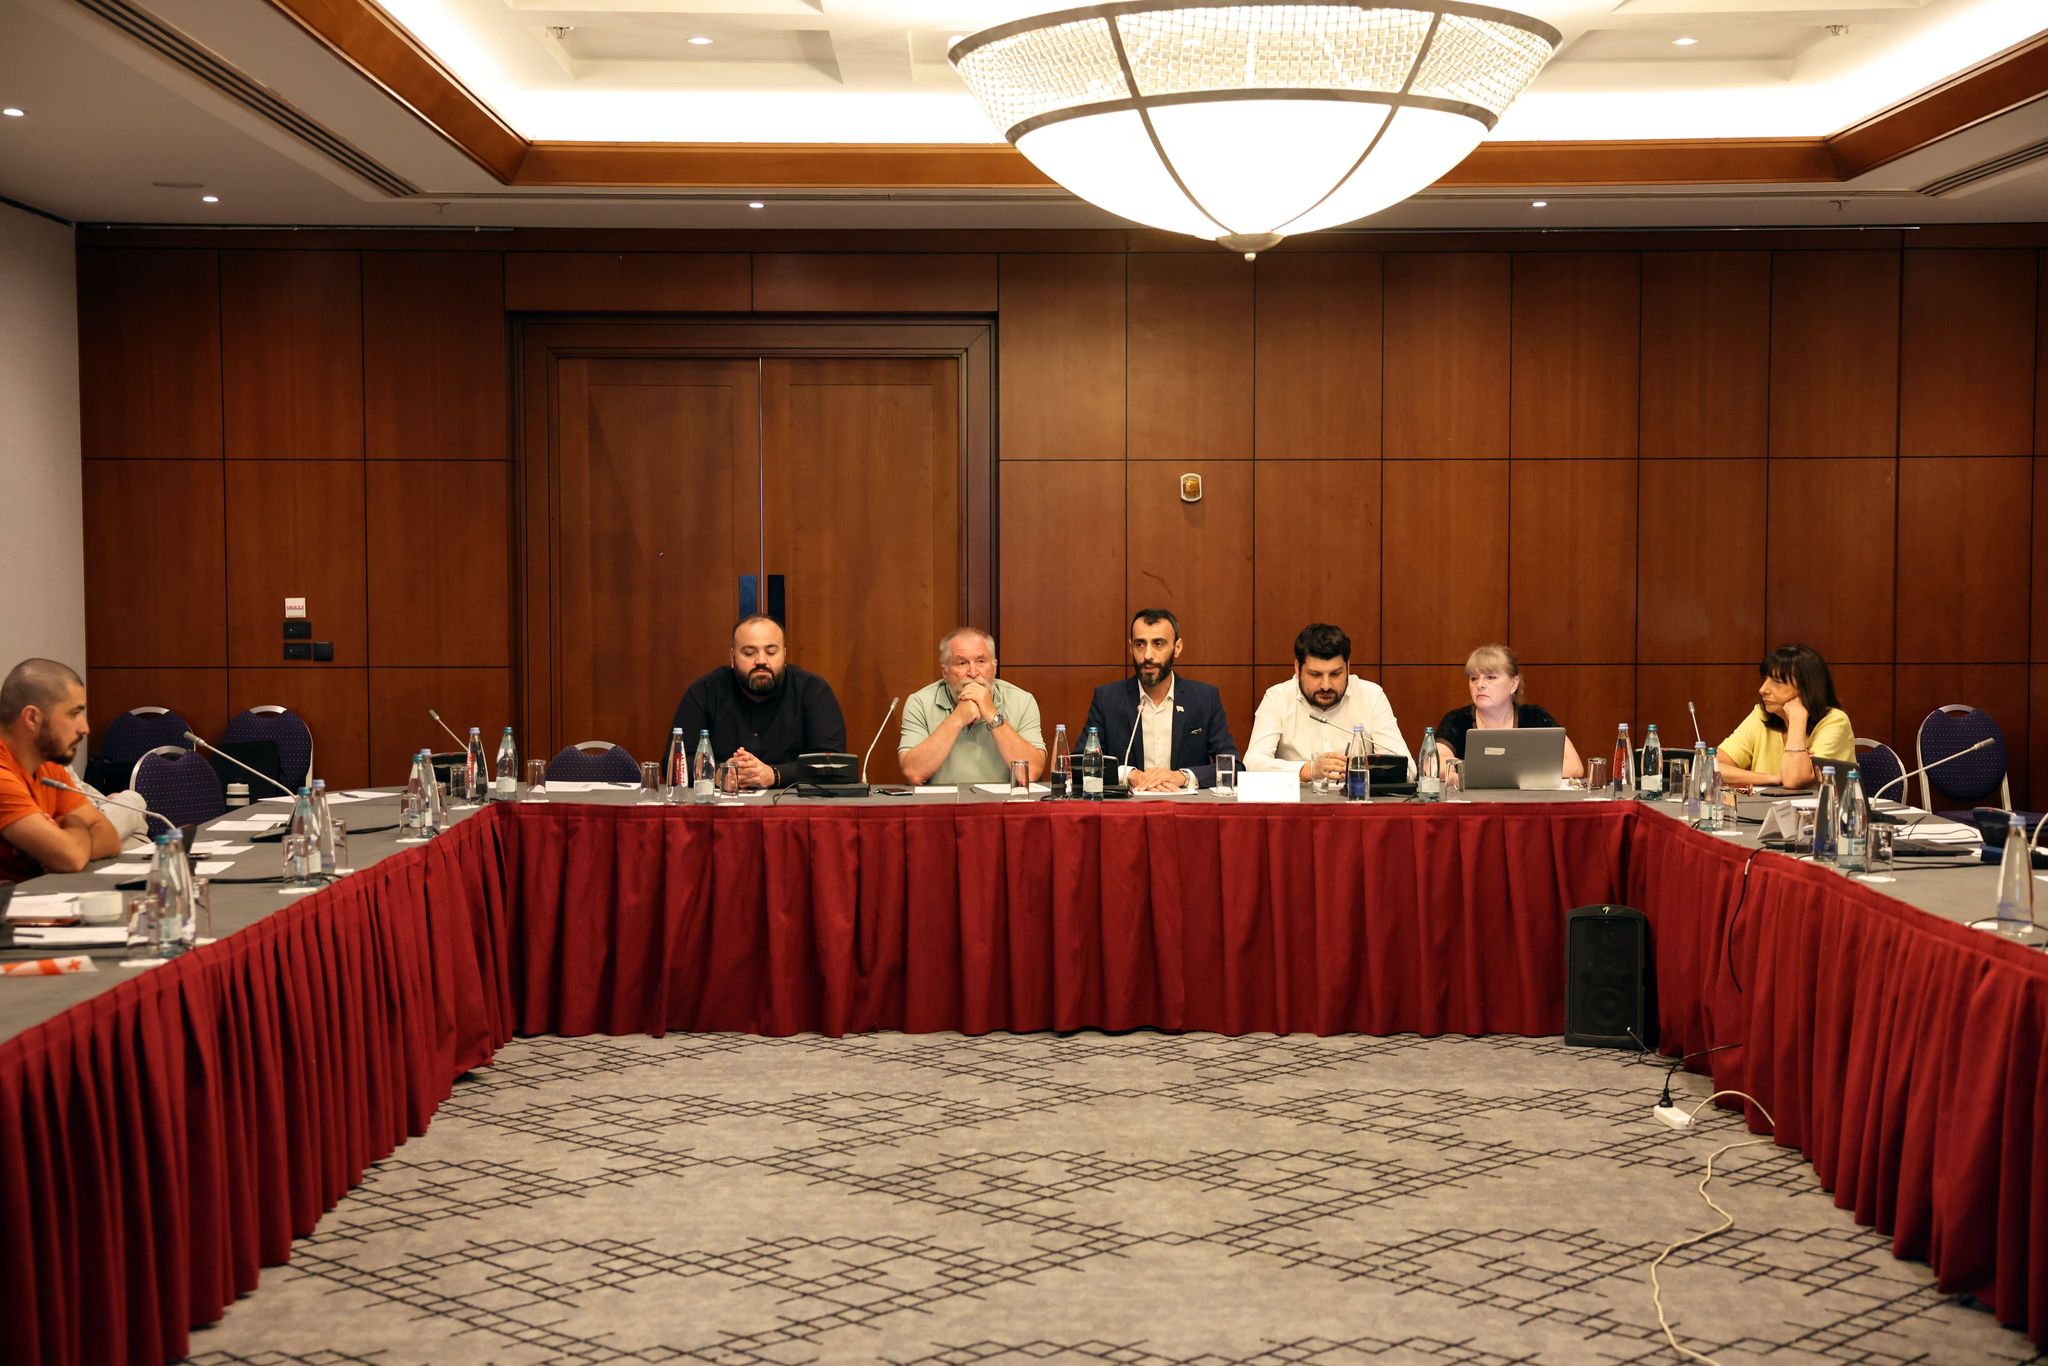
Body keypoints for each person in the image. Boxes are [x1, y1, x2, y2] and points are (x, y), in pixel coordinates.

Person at [670, 616, 848, 789]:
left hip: (793, 805)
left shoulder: (812, 690)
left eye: (771, 652)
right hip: (723, 805)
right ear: (732, 657)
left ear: (784, 654)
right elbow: (676, 762)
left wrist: (774, 774)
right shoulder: (706, 691)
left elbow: (832, 763)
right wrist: (719, 774)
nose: (761, 661)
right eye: (749, 652)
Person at [1082, 608, 1239, 790]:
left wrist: (1182, 776)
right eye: (1140, 644)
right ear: (1131, 647)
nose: (1148, 655)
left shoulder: (1204, 698)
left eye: (1158, 644)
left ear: (1177, 647)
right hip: (1129, 804)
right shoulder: (1107, 698)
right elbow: (1081, 763)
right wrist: (1128, 774)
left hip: (1184, 804)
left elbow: (1233, 766)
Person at [0, 659, 122, 881]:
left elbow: (109, 837)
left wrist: (62, 837)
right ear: (32, 718)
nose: (85, 728)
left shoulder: (48, 767)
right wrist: (74, 827)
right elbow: (71, 858)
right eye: (74, 714)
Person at [1243, 623, 1411, 782]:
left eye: (1335, 674)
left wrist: (1360, 770)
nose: (1326, 685)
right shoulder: (1277, 698)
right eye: (1315, 675)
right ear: (1297, 669)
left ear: (1348, 668)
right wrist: (1308, 770)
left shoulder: (1371, 696)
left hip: (1356, 798)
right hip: (1299, 801)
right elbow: (1252, 764)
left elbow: (1408, 769)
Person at [898, 628, 1045, 785]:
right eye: (962, 663)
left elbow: (1031, 772)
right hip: (942, 801)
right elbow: (914, 773)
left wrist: (991, 714)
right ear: (945, 671)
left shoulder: (1022, 701)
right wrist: (957, 719)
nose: (973, 673)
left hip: (1001, 800)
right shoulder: (920, 702)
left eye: (981, 661)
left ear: (994, 667)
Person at [1433, 644, 1585, 780]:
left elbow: (1575, 766)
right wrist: (1519, 769)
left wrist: (1497, 771)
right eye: (1474, 678)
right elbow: (1434, 765)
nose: (1480, 685)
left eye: (1491, 677)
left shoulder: (1535, 717)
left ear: (1513, 684)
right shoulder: (1457, 721)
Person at [1715, 644, 1855, 791]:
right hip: (1764, 805)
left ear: (1806, 688)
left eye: (1777, 682)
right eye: (1765, 679)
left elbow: (1793, 780)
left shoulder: (1835, 721)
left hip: (1819, 806)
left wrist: (1797, 720)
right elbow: (1714, 767)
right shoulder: (1761, 715)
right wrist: (1773, 778)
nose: (1762, 689)